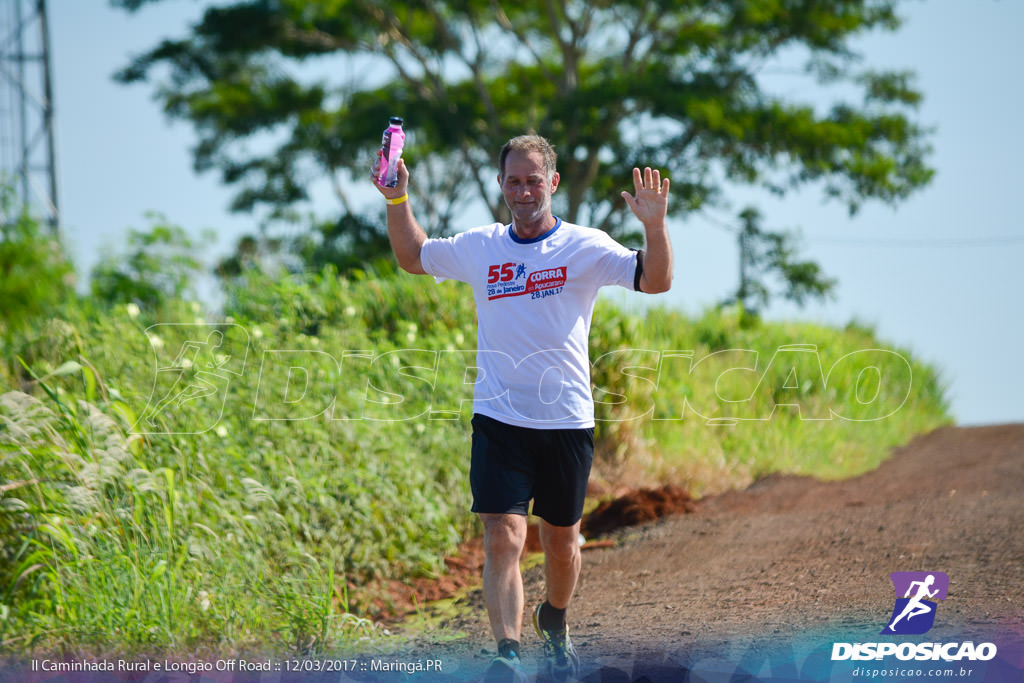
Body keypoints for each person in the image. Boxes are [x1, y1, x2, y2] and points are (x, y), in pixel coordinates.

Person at [373, 134, 673, 681]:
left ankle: (554, 619)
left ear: (553, 183)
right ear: (500, 186)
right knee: (503, 535)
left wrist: (654, 226)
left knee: (561, 545)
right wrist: (397, 200)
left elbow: (655, 281)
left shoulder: (584, 247)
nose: (524, 190)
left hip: (566, 422)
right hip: (499, 419)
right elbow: (413, 257)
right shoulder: (483, 247)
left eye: (534, 180)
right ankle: (507, 654)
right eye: (514, 181)